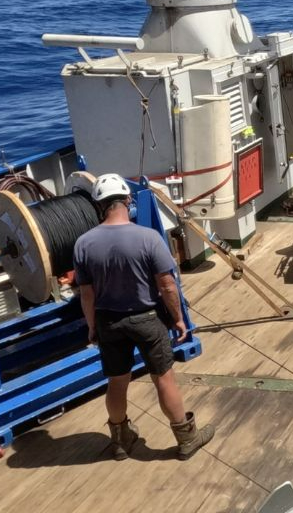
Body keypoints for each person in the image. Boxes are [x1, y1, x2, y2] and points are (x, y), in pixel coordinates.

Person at [75, 173, 214, 461]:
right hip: (147, 318)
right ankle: (186, 439)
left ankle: (121, 440)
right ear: (128, 201)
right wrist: (178, 319)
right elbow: (166, 285)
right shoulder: (148, 238)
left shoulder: (83, 244)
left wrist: (91, 327)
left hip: (108, 322)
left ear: (99, 206)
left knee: (117, 381)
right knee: (164, 379)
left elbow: (86, 295)